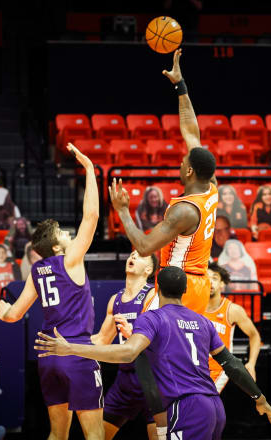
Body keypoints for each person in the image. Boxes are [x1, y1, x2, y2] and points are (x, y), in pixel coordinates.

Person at [35, 266, 271, 439]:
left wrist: (71, 348)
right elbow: (231, 364)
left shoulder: (153, 318)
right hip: (215, 408)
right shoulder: (202, 321)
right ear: (186, 290)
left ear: (157, 288)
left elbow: (127, 353)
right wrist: (259, 399)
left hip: (185, 407)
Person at [0, 144, 104, 440]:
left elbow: (14, 314)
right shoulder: (71, 259)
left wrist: (3, 312)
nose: (70, 235)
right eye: (64, 235)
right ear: (56, 247)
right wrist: (91, 170)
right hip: (75, 351)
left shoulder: (35, 271)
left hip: (48, 358)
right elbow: (91, 217)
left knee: (57, 434)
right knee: (94, 434)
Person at [109, 49, 218, 315]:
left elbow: (145, 247)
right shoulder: (210, 184)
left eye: (183, 163)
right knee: (182, 354)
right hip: (197, 283)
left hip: (180, 286)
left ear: (190, 171)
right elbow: (192, 131)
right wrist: (180, 86)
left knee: (145, 343)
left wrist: (122, 210)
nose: (180, 163)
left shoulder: (184, 211)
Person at [90, 250, 158, 440]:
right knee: (98, 435)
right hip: (126, 380)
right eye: (132, 254)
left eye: (140, 256)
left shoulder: (152, 295)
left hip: (153, 378)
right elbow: (102, 339)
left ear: (149, 269)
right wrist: (70, 344)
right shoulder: (116, 299)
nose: (133, 257)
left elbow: (162, 337)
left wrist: (134, 333)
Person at [205, 263, 261, 393]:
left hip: (219, 369)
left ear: (222, 284)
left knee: (199, 402)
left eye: (214, 278)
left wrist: (251, 363)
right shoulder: (193, 307)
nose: (210, 281)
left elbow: (254, 335)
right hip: (194, 367)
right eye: (206, 277)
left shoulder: (232, 310)